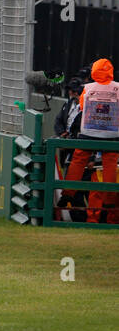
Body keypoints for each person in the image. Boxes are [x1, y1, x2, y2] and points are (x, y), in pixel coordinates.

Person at [64, 58, 119, 216]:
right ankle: (109, 201)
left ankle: (67, 194)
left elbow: (81, 106)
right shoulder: (118, 88)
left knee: (77, 161)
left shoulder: (87, 88)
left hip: (88, 133)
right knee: (110, 165)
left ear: (94, 71)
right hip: (112, 135)